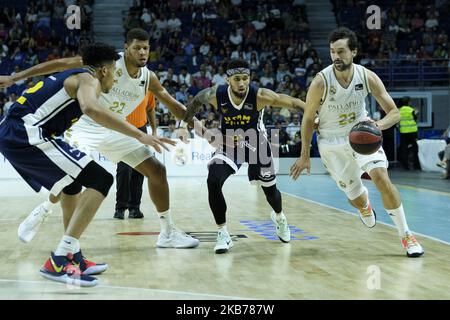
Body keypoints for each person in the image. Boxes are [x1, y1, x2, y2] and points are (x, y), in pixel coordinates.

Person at [0, 28, 199, 249]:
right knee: (71, 181)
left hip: (114, 128)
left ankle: (168, 233)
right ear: (126, 48)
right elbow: (61, 64)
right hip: (83, 126)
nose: (142, 52)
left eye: (146, 48)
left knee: (157, 170)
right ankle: (47, 212)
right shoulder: (102, 63)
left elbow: (175, 106)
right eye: (137, 48)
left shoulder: (148, 77)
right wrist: (16, 77)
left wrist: (203, 130)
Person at [290, 27, 424, 258]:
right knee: (357, 198)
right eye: (332, 51)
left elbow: (394, 112)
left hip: (361, 136)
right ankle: (364, 205)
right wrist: (304, 154)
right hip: (331, 143)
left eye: (341, 51)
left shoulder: (367, 76)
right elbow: (308, 119)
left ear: (354, 52)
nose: (336, 57)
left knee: (381, 178)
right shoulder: (320, 82)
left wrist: (377, 125)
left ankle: (406, 234)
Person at [182, 59, 305, 254]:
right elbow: (196, 102)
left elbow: (292, 102)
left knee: (270, 193)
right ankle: (222, 232)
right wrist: (194, 129)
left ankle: (280, 218)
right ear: (228, 79)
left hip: (258, 145)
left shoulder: (260, 95)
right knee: (213, 179)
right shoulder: (216, 94)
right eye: (237, 79)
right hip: (230, 145)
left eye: (245, 78)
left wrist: (313, 116)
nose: (241, 83)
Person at [114, 91, 157, 220]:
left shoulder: (148, 87)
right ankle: (120, 208)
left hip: (141, 129)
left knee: (140, 170)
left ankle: (134, 208)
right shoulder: (121, 85)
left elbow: (150, 109)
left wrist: (154, 130)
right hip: (123, 129)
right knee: (123, 169)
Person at [398, 97, 421, 170]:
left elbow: (397, 122)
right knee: (415, 149)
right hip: (412, 132)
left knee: (404, 149)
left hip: (403, 132)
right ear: (409, 102)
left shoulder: (399, 111)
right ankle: (416, 165)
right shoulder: (412, 110)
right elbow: (416, 119)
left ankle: (405, 166)